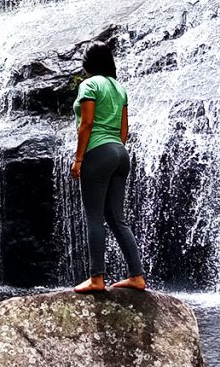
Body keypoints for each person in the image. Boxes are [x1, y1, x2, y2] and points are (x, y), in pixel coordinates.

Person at [71, 42, 146, 293]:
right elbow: (124, 128)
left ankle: (96, 278)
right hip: (119, 153)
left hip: (97, 151)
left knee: (94, 217)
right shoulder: (119, 89)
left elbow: (87, 124)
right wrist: (115, 150)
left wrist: (79, 159)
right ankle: (137, 276)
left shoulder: (89, 85)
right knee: (117, 219)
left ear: (89, 63)